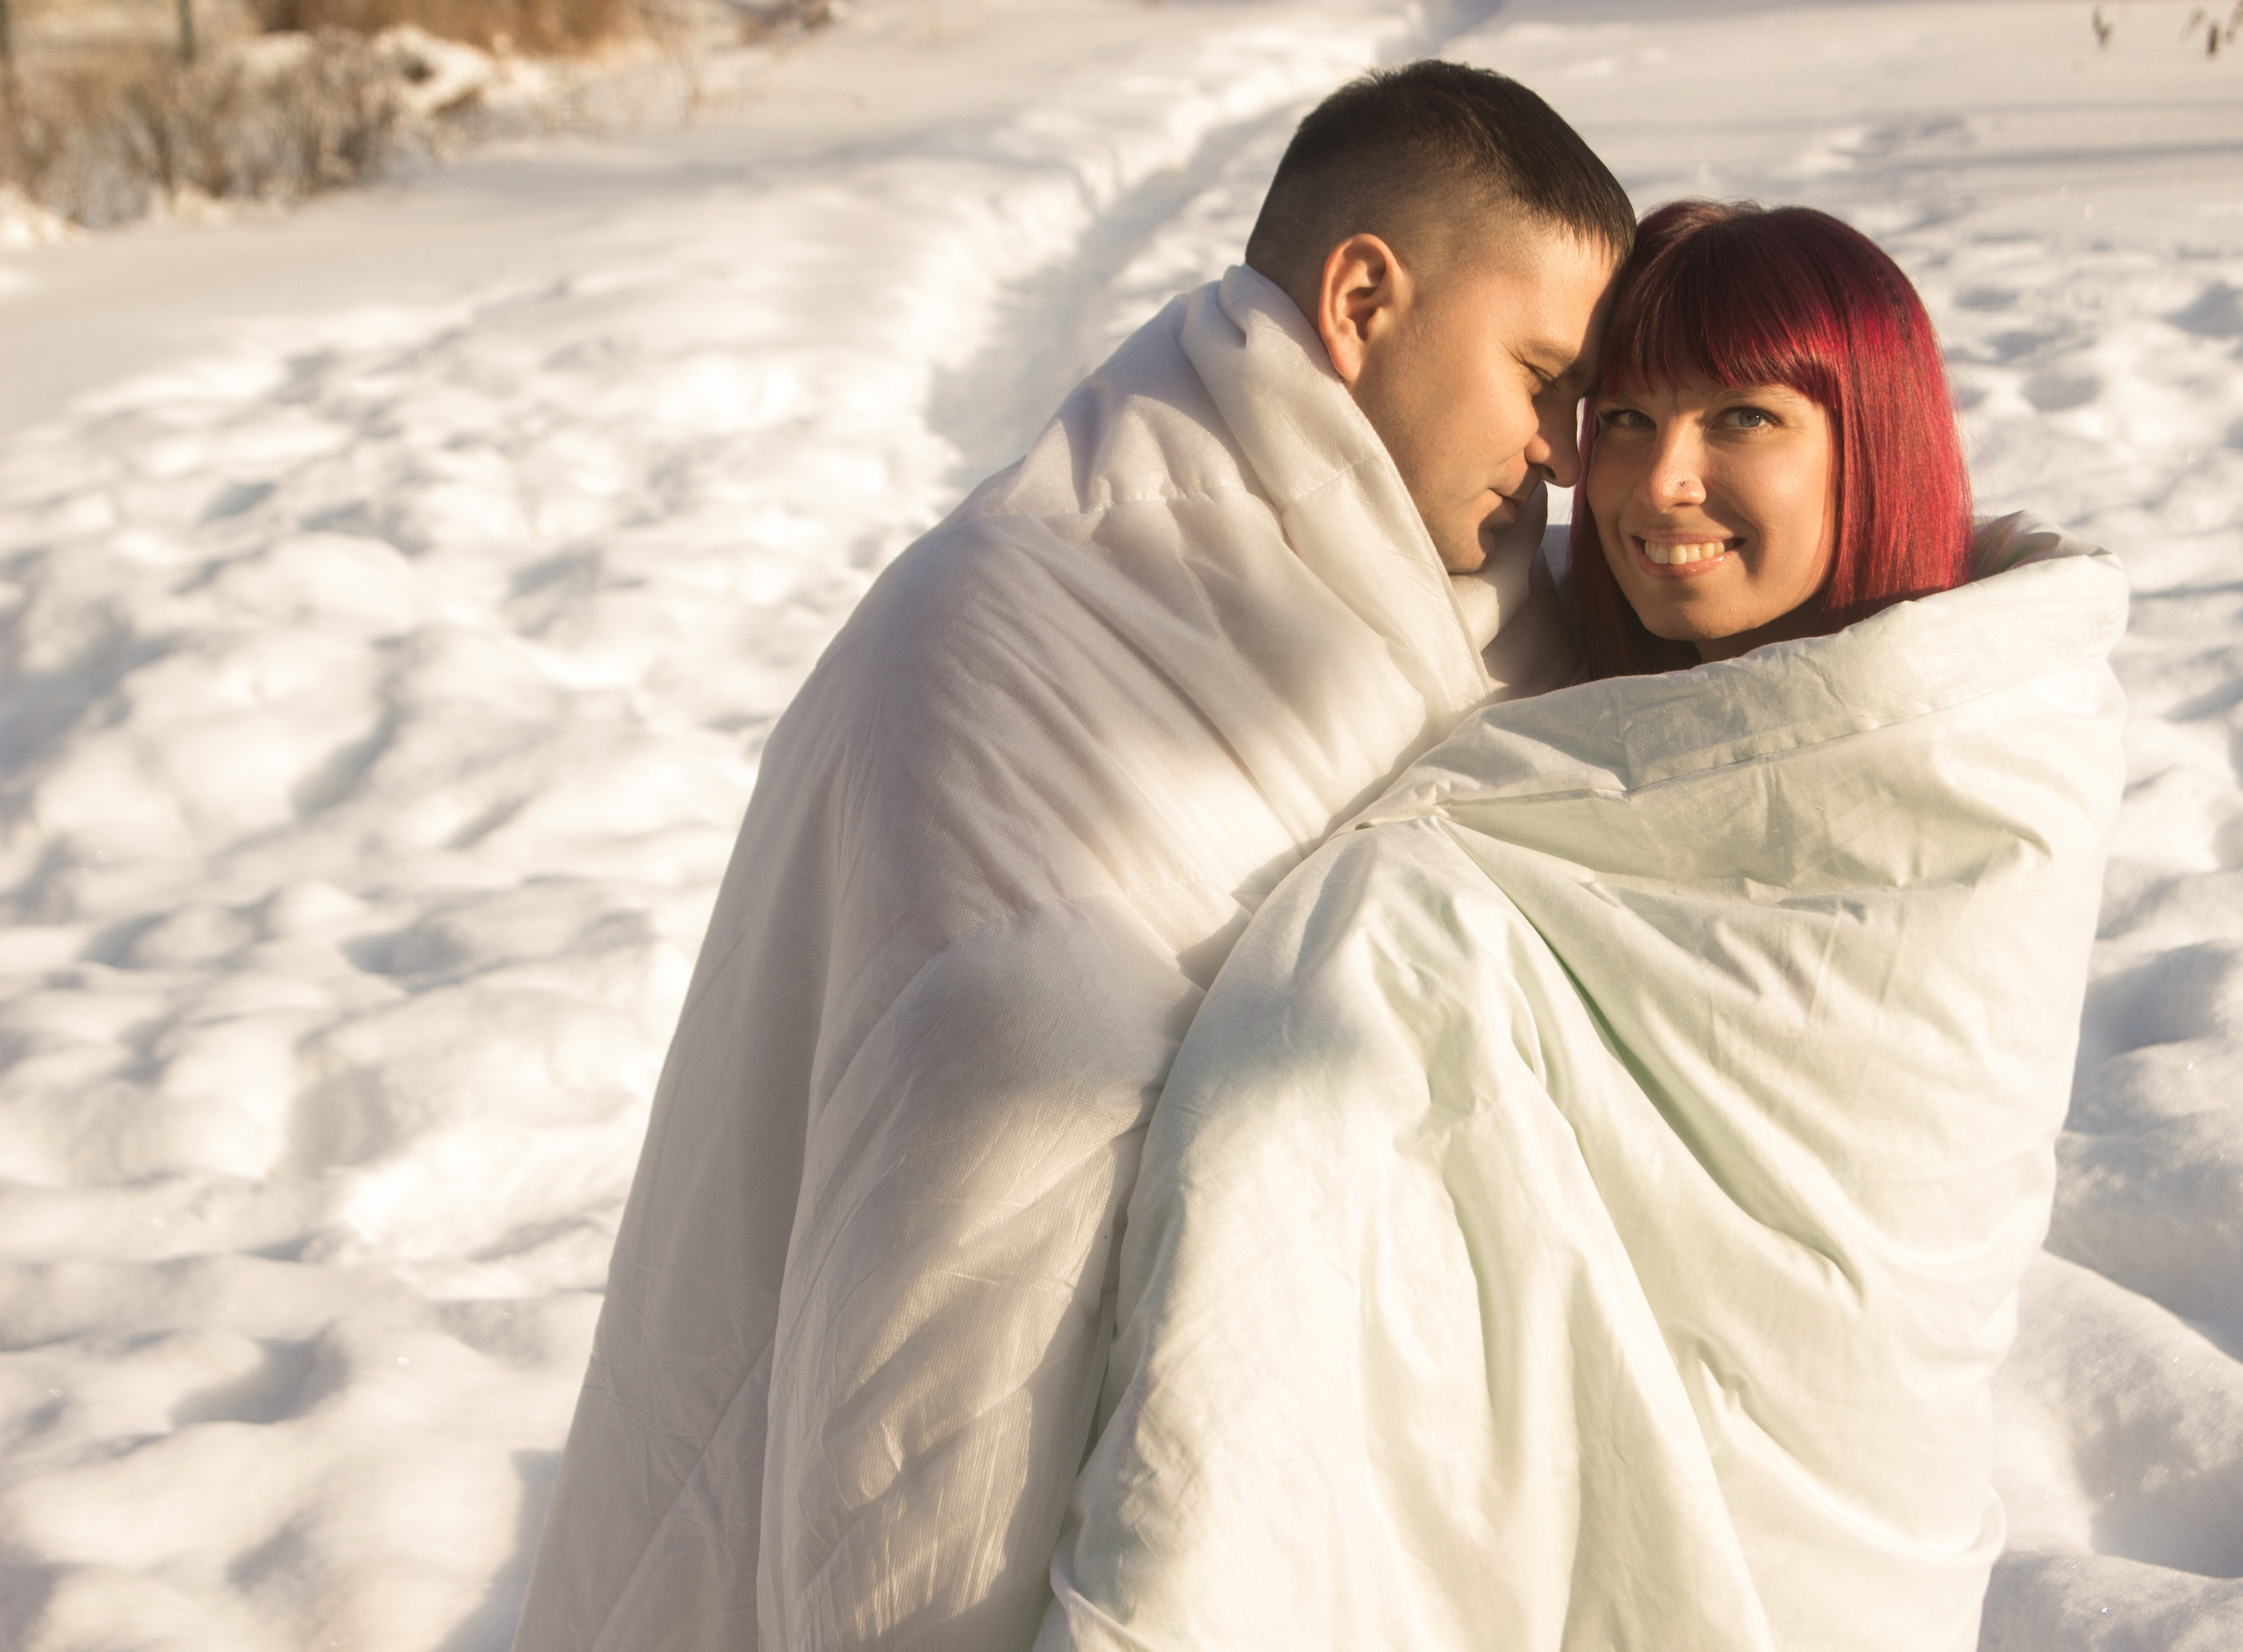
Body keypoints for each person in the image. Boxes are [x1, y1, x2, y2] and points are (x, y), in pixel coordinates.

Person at [510, 63, 1634, 1652]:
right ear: (1365, 297)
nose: (1565, 456)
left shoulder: (1507, 623)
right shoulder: (1005, 631)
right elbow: (951, 1256)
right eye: (1539, 375)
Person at [1040, 201, 2129, 1651]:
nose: (1662, 481)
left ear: (1870, 436)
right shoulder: (1559, 728)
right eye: (1622, 417)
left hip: (1842, 1531)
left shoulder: (1970, 765)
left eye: (1742, 415)